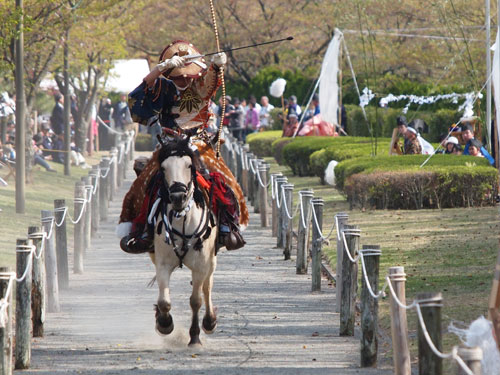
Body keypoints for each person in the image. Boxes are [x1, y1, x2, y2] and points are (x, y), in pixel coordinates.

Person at [118, 40, 248, 253]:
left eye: (188, 75)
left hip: (199, 142)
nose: (185, 78)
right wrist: (158, 69)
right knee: (144, 181)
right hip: (169, 144)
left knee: (224, 178)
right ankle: (143, 230)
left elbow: (212, 81)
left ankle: (227, 226)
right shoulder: (161, 86)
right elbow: (136, 99)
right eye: (179, 75)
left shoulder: (200, 85)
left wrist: (217, 65)